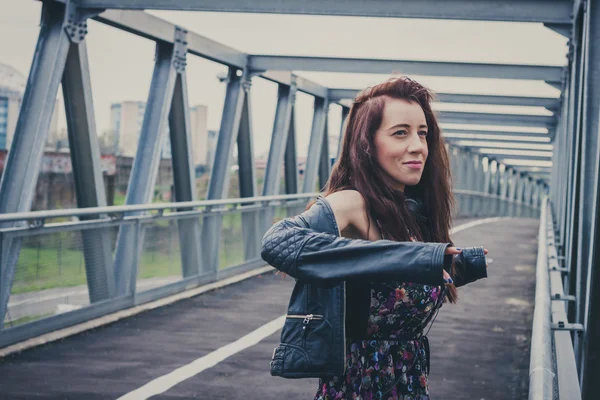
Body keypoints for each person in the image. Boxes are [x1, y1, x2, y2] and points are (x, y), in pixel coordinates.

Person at [261, 76, 489, 399]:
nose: (417, 146)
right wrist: (413, 258)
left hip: (409, 386)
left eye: (422, 133)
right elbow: (277, 241)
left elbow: (397, 281)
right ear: (367, 143)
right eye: (400, 133)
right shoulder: (353, 203)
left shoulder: (412, 212)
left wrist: (462, 263)